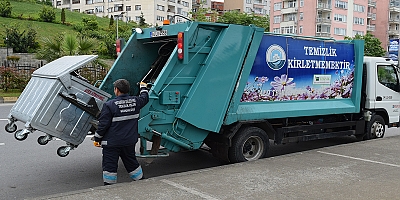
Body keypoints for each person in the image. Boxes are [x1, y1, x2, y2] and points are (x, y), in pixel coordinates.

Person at [93, 79, 149, 185]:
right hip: (129, 141)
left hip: (112, 143)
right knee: (132, 163)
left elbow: (103, 125)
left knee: (110, 167)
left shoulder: (109, 105)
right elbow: (145, 98)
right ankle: (141, 182)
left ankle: (110, 187)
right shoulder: (136, 101)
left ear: (117, 90)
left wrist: (97, 138)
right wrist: (143, 87)